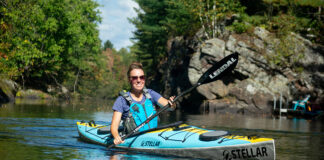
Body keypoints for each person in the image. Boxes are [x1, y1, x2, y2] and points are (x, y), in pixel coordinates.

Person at [110, 62, 176, 145]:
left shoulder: (151, 94)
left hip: (154, 137)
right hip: (134, 140)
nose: (139, 80)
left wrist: (172, 104)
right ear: (129, 80)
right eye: (135, 78)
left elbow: (171, 107)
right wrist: (116, 137)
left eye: (142, 77)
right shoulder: (122, 100)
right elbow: (114, 126)